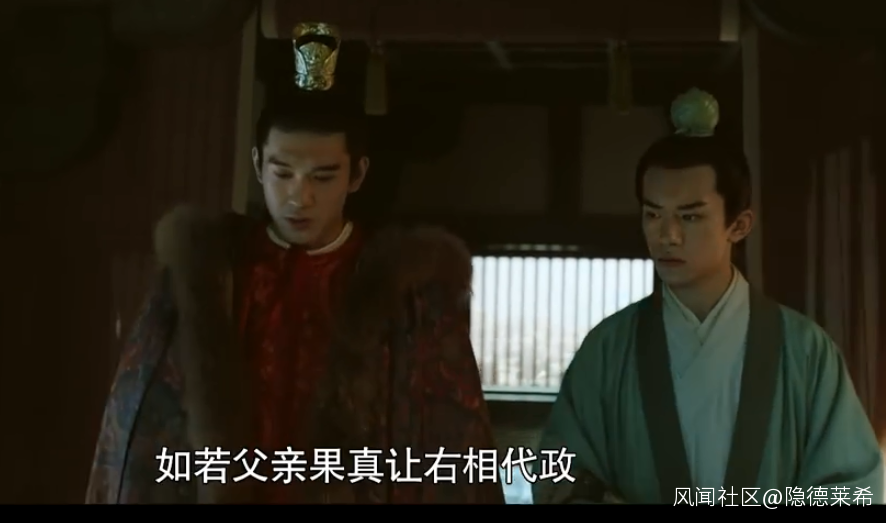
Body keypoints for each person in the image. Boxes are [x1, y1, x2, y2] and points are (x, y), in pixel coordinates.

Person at [86, 22, 504, 505]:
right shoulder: (203, 277)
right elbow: (136, 427)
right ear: (257, 163)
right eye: (282, 172)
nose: (298, 197)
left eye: (322, 177)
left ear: (357, 174)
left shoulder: (408, 292)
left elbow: (449, 438)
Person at [533, 88, 884, 506]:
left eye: (690, 216)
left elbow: (855, 488)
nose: (667, 235)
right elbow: (559, 474)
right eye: (653, 214)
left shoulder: (805, 351)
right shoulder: (608, 349)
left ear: (739, 225)